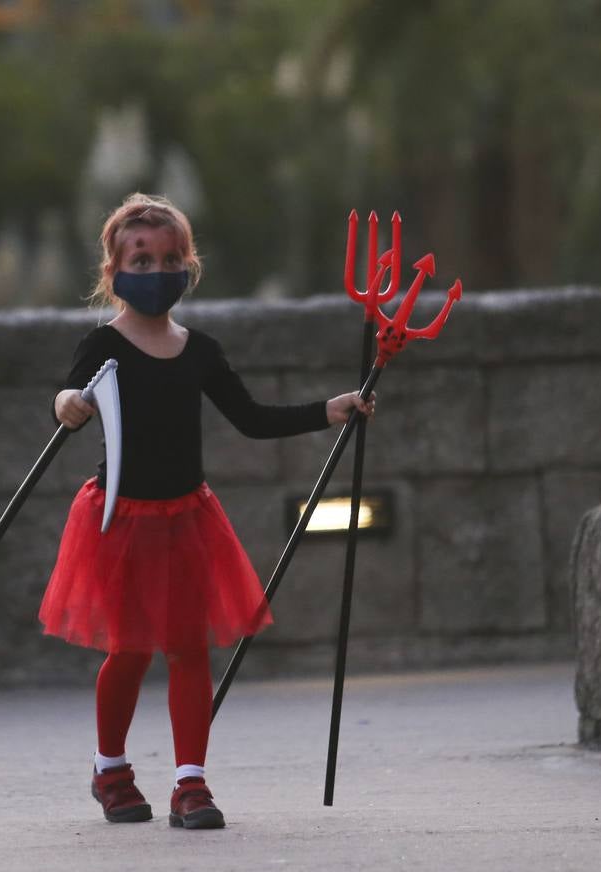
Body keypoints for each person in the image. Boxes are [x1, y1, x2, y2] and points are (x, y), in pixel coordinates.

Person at [38, 193, 375, 830]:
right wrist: (66, 404)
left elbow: (249, 419)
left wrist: (327, 412)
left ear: (188, 267)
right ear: (114, 271)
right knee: (130, 649)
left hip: (186, 520)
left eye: (170, 259)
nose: (156, 269)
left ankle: (190, 783)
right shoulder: (102, 346)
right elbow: (68, 397)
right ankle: (110, 769)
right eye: (142, 258)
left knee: (190, 650)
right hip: (121, 521)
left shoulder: (198, 350)